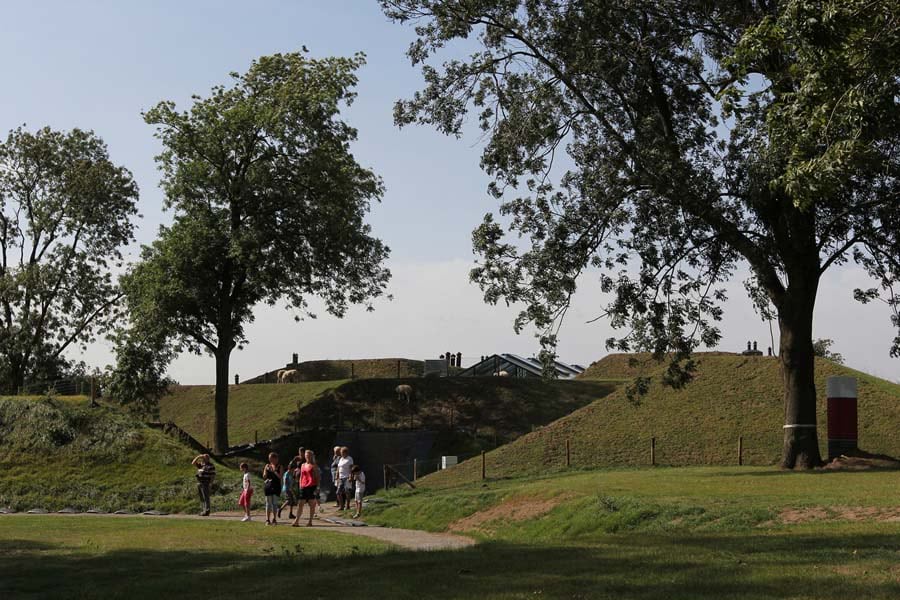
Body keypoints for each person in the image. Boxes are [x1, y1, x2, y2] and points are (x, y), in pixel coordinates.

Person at [293, 449, 320, 527]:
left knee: (311, 504)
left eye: (309, 455)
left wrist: (317, 488)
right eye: (306, 455)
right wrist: (300, 485)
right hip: (303, 486)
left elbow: (317, 477)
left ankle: (310, 521)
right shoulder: (302, 465)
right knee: (300, 503)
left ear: (311, 456)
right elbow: (301, 476)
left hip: (312, 486)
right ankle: (296, 521)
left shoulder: (314, 466)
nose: (307, 457)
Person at [262, 452, 282, 525]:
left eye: (272, 459)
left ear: (276, 459)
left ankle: (274, 519)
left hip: (276, 486)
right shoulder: (267, 465)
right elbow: (264, 476)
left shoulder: (280, 466)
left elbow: (280, 477)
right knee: (268, 503)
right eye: (270, 459)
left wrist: (274, 471)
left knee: (274, 503)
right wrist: (265, 471)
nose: (271, 461)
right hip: (268, 485)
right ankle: (267, 519)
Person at [336, 446, 354, 511]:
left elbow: (351, 468)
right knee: (338, 492)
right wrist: (337, 476)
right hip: (341, 477)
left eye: (342, 452)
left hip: (347, 477)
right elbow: (338, 468)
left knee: (347, 491)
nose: (341, 453)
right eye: (341, 452)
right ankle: (341, 506)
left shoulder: (350, 459)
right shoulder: (341, 459)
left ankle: (348, 505)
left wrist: (350, 476)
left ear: (345, 452)